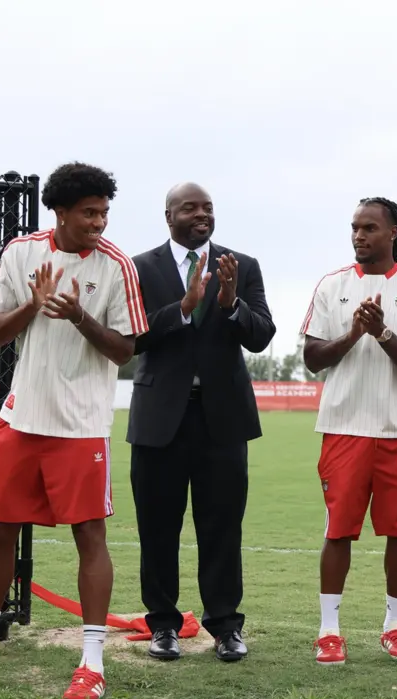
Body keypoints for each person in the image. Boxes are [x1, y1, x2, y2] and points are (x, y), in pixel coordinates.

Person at [0, 162, 147, 699]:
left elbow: (127, 350)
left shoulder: (117, 267)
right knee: (1, 531)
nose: (99, 222)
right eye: (89, 213)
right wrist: (33, 306)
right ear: (60, 212)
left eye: (105, 212)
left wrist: (80, 316)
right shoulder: (21, 253)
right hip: (22, 419)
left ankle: (91, 663)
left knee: (90, 538)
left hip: (82, 428)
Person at [126, 182, 276, 662]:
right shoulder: (140, 267)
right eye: (189, 208)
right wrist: (184, 309)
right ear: (167, 215)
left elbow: (261, 337)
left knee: (222, 526)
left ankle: (226, 626)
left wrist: (231, 303)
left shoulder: (241, 265)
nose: (201, 215)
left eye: (207, 208)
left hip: (223, 419)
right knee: (157, 527)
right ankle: (163, 626)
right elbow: (130, 337)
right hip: (159, 419)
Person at [299, 197, 397, 666]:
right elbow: (313, 358)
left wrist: (382, 334)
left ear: (393, 232)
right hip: (343, 427)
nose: (359, 235)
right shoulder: (332, 285)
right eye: (355, 228)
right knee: (337, 531)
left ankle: (395, 626)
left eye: (370, 228)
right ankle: (329, 630)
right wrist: (354, 334)